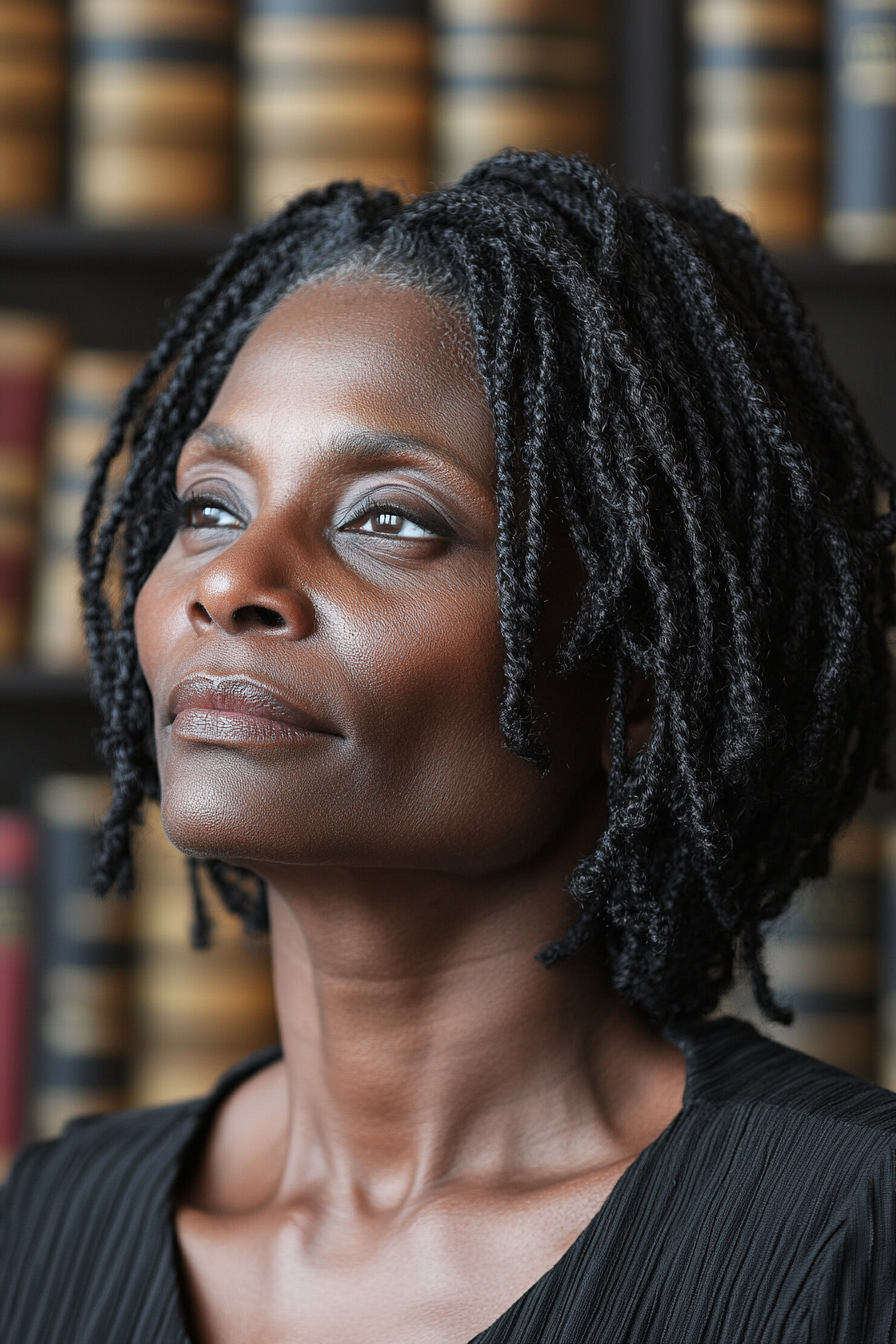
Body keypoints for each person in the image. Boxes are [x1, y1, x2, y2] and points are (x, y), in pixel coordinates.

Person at [1, 152, 895, 1343]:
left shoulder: (846, 1233)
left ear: (635, 680)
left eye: (390, 520)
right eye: (209, 506)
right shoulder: (52, 1228)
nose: (230, 584)